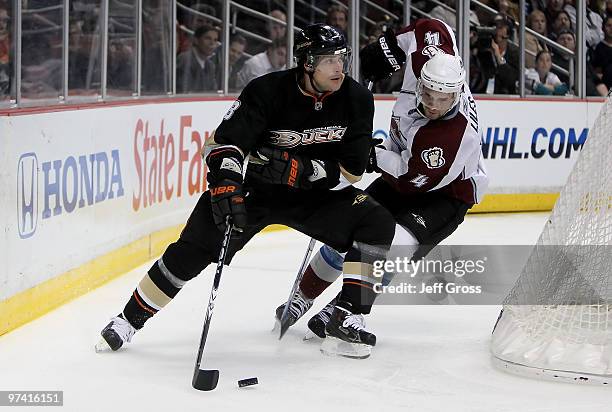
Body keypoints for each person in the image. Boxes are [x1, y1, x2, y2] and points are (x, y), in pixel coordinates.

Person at [96, 24, 396, 359]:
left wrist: (302, 171)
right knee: (191, 251)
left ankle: (347, 317)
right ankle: (128, 320)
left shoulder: (356, 98)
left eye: (342, 58)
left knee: (377, 223)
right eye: (328, 60)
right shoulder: (266, 91)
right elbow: (224, 144)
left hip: (315, 195)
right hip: (255, 191)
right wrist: (226, 185)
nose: (338, 67)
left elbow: (352, 171)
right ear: (306, 62)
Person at [274, 18, 489, 341]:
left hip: (445, 194)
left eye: (442, 100)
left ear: (456, 95)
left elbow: (411, 178)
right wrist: (387, 48)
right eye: (427, 94)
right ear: (421, 80)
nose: (432, 104)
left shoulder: (453, 136)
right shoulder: (428, 60)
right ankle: (303, 296)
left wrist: (369, 155)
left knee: (394, 246)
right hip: (403, 168)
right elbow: (431, 26)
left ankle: (346, 311)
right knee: (347, 229)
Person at [176, 25, 219, 93]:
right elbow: (184, 92)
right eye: (208, 38)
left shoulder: (210, 65)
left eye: (215, 40)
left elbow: (213, 92)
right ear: (196, 40)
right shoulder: (185, 60)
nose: (212, 43)